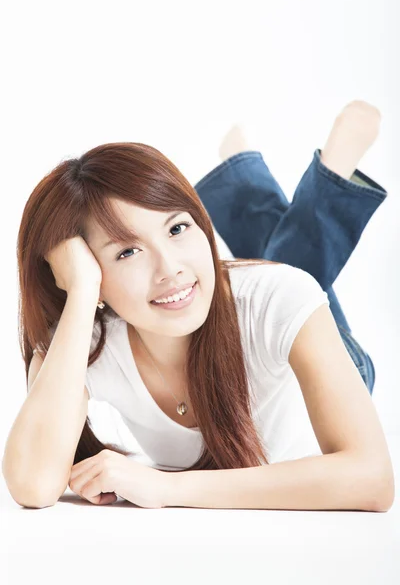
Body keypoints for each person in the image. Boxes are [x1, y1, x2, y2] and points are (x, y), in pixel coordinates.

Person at [3, 100, 392, 510]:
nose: (169, 268)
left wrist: (168, 488)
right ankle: (243, 177)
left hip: (337, 358)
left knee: (286, 276)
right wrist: (82, 290)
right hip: (234, 300)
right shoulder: (83, 344)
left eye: (177, 227)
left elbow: (372, 480)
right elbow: (32, 485)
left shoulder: (277, 298)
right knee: (274, 271)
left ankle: (317, 176)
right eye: (127, 252)